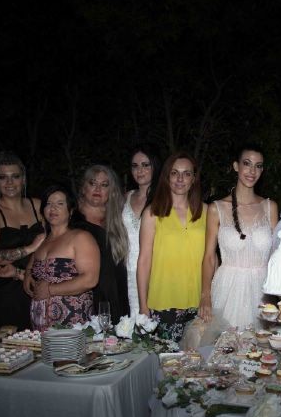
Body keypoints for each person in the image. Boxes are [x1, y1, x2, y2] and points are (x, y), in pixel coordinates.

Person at [199, 146, 278, 330]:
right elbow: (209, 257)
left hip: (262, 291)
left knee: (262, 344)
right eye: (247, 163)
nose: (252, 171)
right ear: (236, 166)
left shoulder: (270, 207)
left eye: (258, 166)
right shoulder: (216, 208)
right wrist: (205, 295)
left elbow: (276, 256)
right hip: (227, 290)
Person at [137, 152, 207, 341]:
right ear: (167, 177)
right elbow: (144, 261)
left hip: (197, 303)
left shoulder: (206, 211)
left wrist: (209, 295)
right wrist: (143, 306)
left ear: (194, 178)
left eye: (186, 173)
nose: (180, 179)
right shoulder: (152, 213)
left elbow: (211, 258)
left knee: (197, 358)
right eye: (174, 173)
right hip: (163, 302)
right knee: (165, 358)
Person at [0, 151, 45, 330]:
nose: (10, 182)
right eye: (3, 177)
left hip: (29, 280)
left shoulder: (38, 206)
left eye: (15, 176)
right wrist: (30, 248)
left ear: (23, 179)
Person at [25, 185, 99, 331]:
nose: (53, 208)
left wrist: (50, 290)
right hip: (40, 326)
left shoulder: (81, 237)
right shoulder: (42, 241)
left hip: (71, 324)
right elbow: (33, 267)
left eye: (60, 203)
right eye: (48, 204)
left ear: (70, 211)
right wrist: (27, 274)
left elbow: (90, 279)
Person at [71, 164, 129, 322]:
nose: (98, 189)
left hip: (118, 293)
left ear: (111, 191)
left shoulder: (120, 218)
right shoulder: (70, 220)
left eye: (104, 185)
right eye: (92, 183)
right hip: (85, 296)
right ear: (83, 188)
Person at [122, 146, 160, 316]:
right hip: (128, 270)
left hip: (156, 269)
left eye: (145, 165)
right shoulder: (126, 197)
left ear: (155, 166)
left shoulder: (165, 199)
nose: (140, 170)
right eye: (135, 166)